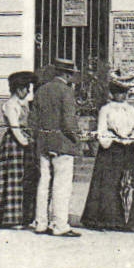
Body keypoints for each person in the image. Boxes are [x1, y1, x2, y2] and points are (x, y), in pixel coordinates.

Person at [80, 71, 134, 231]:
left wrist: (132, 137)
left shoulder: (131, 110)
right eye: (117, 92)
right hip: (110, 151)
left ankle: (126, 221)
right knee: (108, 183)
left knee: (126, 183)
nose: (121, 96)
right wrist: (112, 137)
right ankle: (105, 220)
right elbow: (102, 130)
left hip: (127, 150)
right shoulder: (106, 109)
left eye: (124, 92)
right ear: (112, 93)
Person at [29, 56, 83, 237]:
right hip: (62, 143)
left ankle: (40, 223)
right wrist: (77, 138)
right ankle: (60, 225)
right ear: (68, 75)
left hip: (43, 142)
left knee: (43, 183)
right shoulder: (66, 92)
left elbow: (33, 121)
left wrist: (38, 138)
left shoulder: (41, 90)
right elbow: (69, 123)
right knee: (62, 185)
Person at [0, 71, 38, 229]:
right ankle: (10, 218)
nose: (28, 91)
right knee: (13, 180)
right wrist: (25, 142)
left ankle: (23, 217)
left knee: (24, 180)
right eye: (25, 88)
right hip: (14, 144)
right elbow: (14, 127)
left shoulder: (22, 104)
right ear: (18, 89)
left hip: (24, 145)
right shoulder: (10, 105)